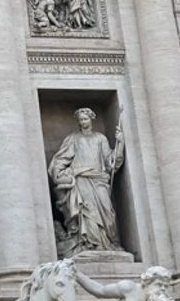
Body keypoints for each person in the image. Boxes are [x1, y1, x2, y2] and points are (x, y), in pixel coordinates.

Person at [48, 107, 124, 254]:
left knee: (106, 211)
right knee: (87, 212)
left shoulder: (100, 138)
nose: (83, 122)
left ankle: (107, 242)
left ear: (91, 119)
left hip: (99, 179)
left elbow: (110, 162)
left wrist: (120, 144)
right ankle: (91, 244)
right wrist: (64, 174)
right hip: (81, 180)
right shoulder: (73, 139)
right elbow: (59, 161)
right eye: (81, 119)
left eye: (86, 119)